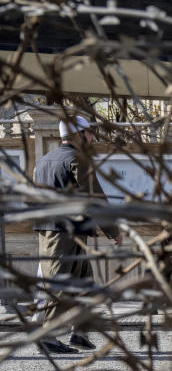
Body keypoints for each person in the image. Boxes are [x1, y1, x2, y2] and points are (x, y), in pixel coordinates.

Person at [33, 115, 122, 353]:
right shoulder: (77, 160)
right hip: (64, 235)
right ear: (77, 135)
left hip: (55, 231)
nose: (92, 137)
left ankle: (79, 333)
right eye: (89, 133)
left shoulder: (43, 161)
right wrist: (113, 231)